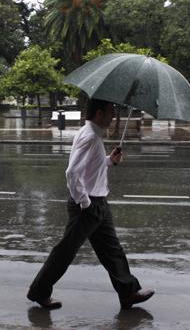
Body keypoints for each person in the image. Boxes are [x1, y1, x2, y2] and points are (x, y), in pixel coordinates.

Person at [27, 99, 154, 310]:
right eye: (111, 111)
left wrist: (109, 161)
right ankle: (39, 292)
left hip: (99, 203)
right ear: (99, 114)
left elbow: (90, 169)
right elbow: (72, 172)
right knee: (65, 252)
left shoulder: (92, 134)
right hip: (88, 206)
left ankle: (128, 292)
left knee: (112, 250)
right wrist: (84, 202)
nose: (113, 115)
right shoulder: (90, 136)